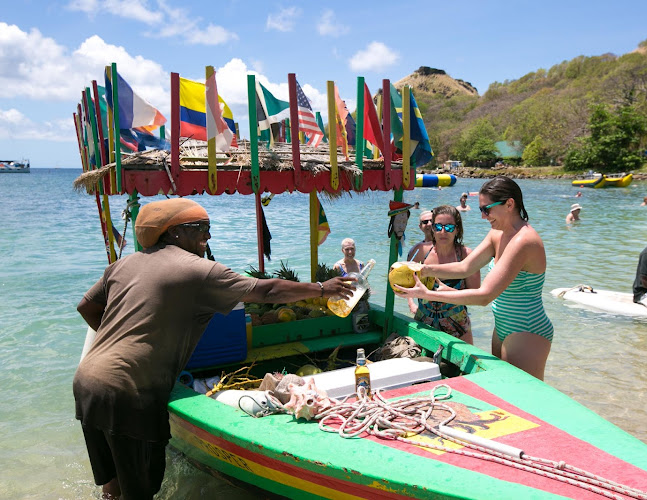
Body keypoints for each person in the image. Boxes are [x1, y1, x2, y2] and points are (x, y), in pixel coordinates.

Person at [73, 198, 354, 499]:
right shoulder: (198, 269)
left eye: (209, 228)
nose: (208, 236)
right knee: (139, 493)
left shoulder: (124, 264)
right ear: (174, 233)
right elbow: (266, 290)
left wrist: (123, 338)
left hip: (87, 382)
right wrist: (323, 289)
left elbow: (86, 306)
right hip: (129, 389)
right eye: (201, 228)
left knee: (113, 484)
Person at [395, 176, 553, 381]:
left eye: (486, 209)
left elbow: (484, 296)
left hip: (526, 329)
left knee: (525, 398)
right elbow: (465, 267)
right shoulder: (498, 233)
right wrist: (422, 270)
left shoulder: (524, 240)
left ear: (509, 204)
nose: (483, 217)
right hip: (503, 325)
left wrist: (430, 294)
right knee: (503, 391)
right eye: (481, 210)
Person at [409, 205, 480, 344]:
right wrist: (411, 303)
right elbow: (406, 282)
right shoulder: (420, 252)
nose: (443, 232)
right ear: (433, 228)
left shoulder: (466, 255)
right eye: (438, 227)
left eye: (449, 227)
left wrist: (449, 291)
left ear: (457, 230)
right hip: (423, 325)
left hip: (458, 329)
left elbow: (476, 297)